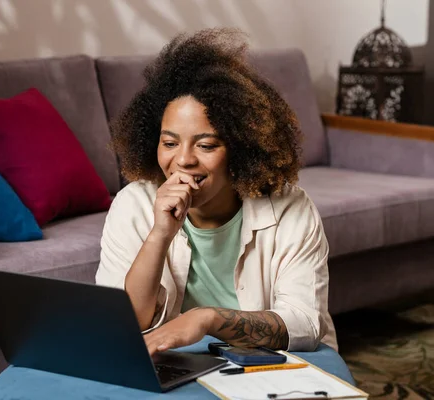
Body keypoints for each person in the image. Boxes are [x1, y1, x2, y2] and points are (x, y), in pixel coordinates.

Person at [95, 28, 337, 356]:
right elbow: (123, 325)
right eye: (169, 143)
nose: (182, 160)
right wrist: (159, 235)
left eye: (206, 144)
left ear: (241, 148)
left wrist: (207, 319)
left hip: (272, 367)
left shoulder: (290, 209)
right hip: (173, 365)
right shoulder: (132, 205)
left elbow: (306, 324)